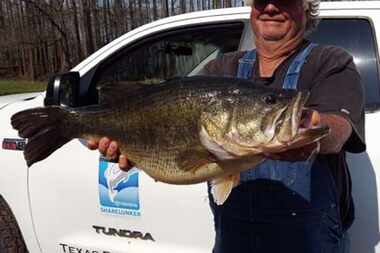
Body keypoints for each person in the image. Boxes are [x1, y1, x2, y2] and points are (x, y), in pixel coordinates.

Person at [87, 0, 366, 252]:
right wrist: (133, 148)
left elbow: (339, 127)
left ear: (306, 8)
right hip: (233, 243)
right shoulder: (220, 70)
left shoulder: (330, 61)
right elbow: (175, 143)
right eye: (261, 0)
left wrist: (313, 135)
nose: (270, 7)